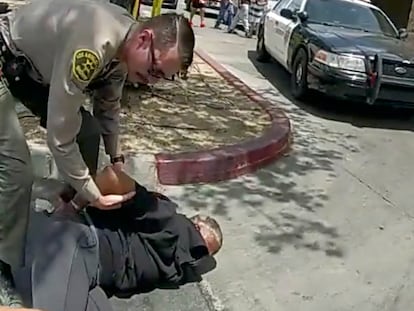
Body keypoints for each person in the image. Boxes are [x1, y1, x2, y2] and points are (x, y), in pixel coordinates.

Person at [0, 0, 195, 299]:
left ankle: (69, 211)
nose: (153, 81)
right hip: (5, 61)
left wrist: (115, 155)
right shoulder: (94, 42)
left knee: (89, 132)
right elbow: (60, 135)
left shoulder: (124, 50)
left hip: (30, 73)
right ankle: (4, 267)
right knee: (17, 170)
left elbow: (107, 109)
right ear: (145, 39)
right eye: (155, 70)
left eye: (162, 77)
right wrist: (94, 193)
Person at [17, 166, 223, 311]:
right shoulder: (167, 219)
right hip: (78, 243)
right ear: (193, 225)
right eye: (199, 245)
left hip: (92, 278)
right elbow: (111, 177)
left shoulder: (176, 270)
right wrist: (73, 206)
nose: (194, 257)